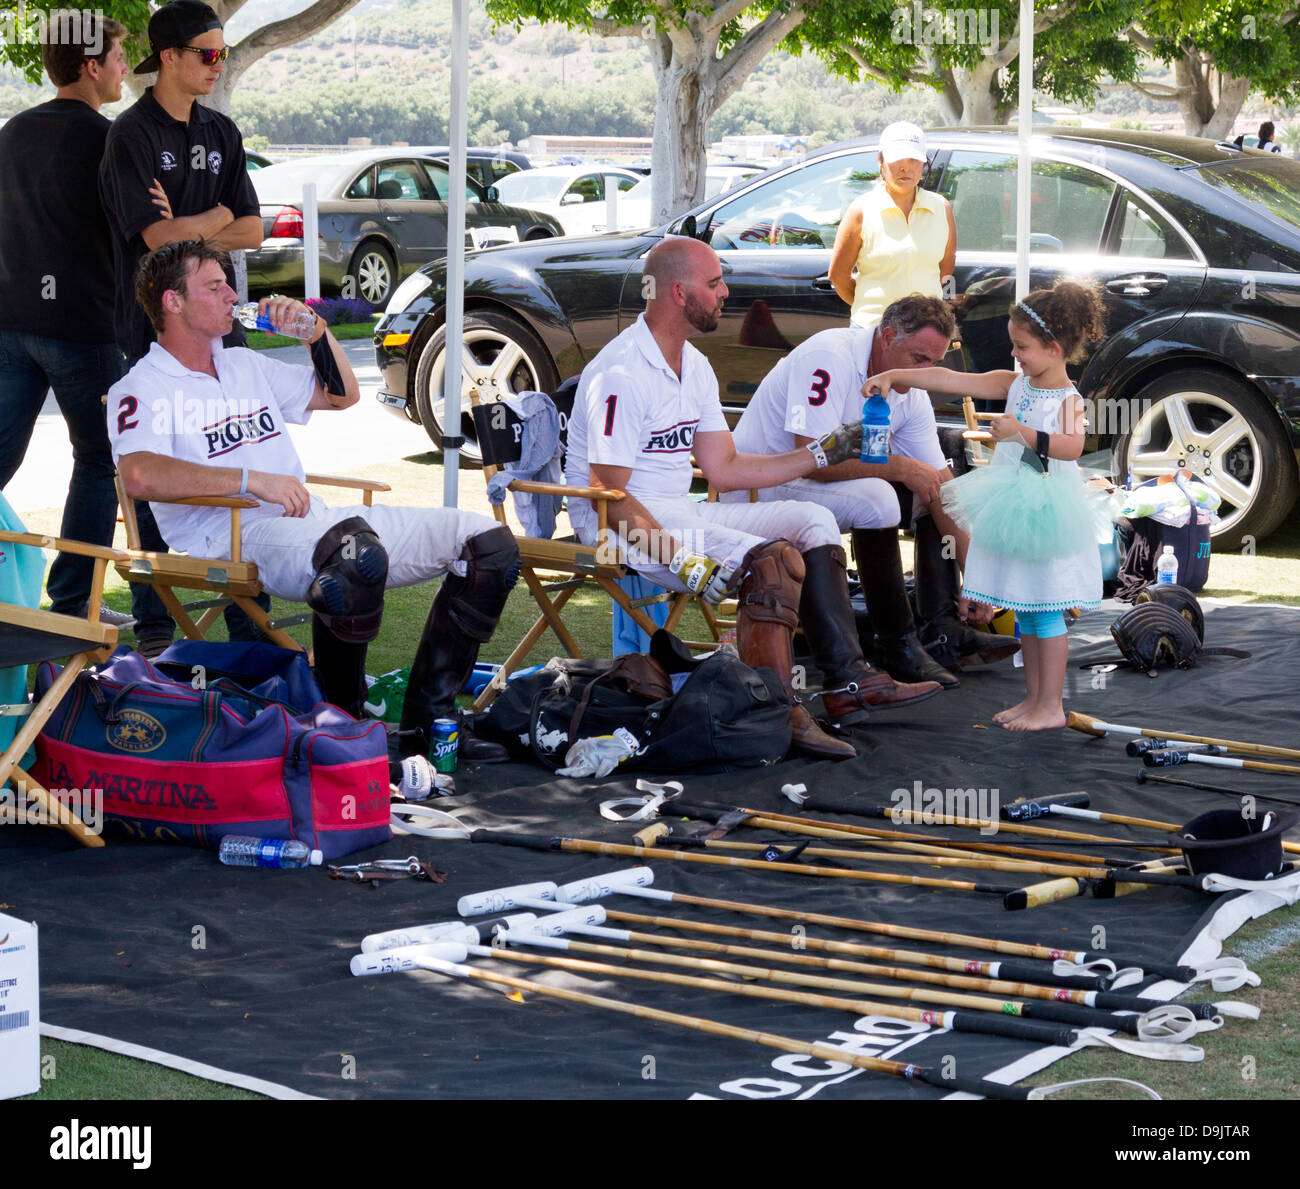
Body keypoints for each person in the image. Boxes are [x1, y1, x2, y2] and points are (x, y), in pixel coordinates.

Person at [108, 239, 520, 762]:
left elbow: (341, 395)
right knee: (354, 555)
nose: (232, 294)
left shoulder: (242, 365)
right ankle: (341, 725)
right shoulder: (141, 387)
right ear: (173, 302)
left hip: (311, 521)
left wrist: (316, 334)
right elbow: (139, 474)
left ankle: (427, 722)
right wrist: (249, 479)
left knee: (487, 543)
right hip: (225, 536)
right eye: (215, 286)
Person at [564, 236, 942, 762]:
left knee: (811, 519)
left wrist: (819, 453)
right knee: (772, 563)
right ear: (678, 292)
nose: (725, 292)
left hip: (675, 510)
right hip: (620, 527)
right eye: (715, 282)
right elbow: (610, 496)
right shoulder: (621, 373)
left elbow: (726, 468)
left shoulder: (693, 364)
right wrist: (683, 560)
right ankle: (778, 714)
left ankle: (847, 682)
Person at [726, 294, 1017, 687]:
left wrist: (976, 573)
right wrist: (899, 466)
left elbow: (941, 486)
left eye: (934, 362)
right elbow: (807, 455)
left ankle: (940, 631)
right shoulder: (829, 356)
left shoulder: (909, 388)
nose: (926, 372)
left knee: (934, 486)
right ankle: (891, 647)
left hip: (806, 485)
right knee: (882, 495)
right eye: (918, 359)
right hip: (761, 486)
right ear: (887, 336)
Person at [863, 280, 1107, 731]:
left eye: (1022, 347)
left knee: (1048, 607)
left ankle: (1051, 705)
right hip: (1013, 501)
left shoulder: (1068, 398)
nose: (1015, 354)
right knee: (1028, 607)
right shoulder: (1016, 383)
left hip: (1047, 509)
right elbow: (950, 378)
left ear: (1053, 348)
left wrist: (1023, 434)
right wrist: (897, 377)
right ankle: (1033, 699)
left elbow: (1073, 447)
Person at [99, 0, 265, 656]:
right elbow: (155, 236)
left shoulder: (222, 132)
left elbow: (251, 230)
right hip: (149, 330)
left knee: (240, 451)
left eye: (224, 52)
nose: (218, 66)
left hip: (220, 322)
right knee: (151, 467)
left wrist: (203, 215)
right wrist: (216, 214)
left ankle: (249, 621)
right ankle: (156, 620)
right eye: (208, 53)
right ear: (168, 56)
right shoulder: (130, 135)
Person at [0, 12, 129, 620]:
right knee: (101, 459)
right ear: (91, 65)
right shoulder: (109, 139)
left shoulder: (12, 132)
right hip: (82, 322)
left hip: (11, 321)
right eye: (119, 56)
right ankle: (73, 604)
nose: (126, 68)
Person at [829, 122, 956, 328]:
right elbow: (838, 275)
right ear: (881, 161)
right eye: (897, 158)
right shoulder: (861, 210)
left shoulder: (941, 208)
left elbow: (945, 268)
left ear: (924, 164)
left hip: (926, 331)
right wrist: (874, 309)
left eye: (914, 159)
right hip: (872, 330)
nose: (905, 167)